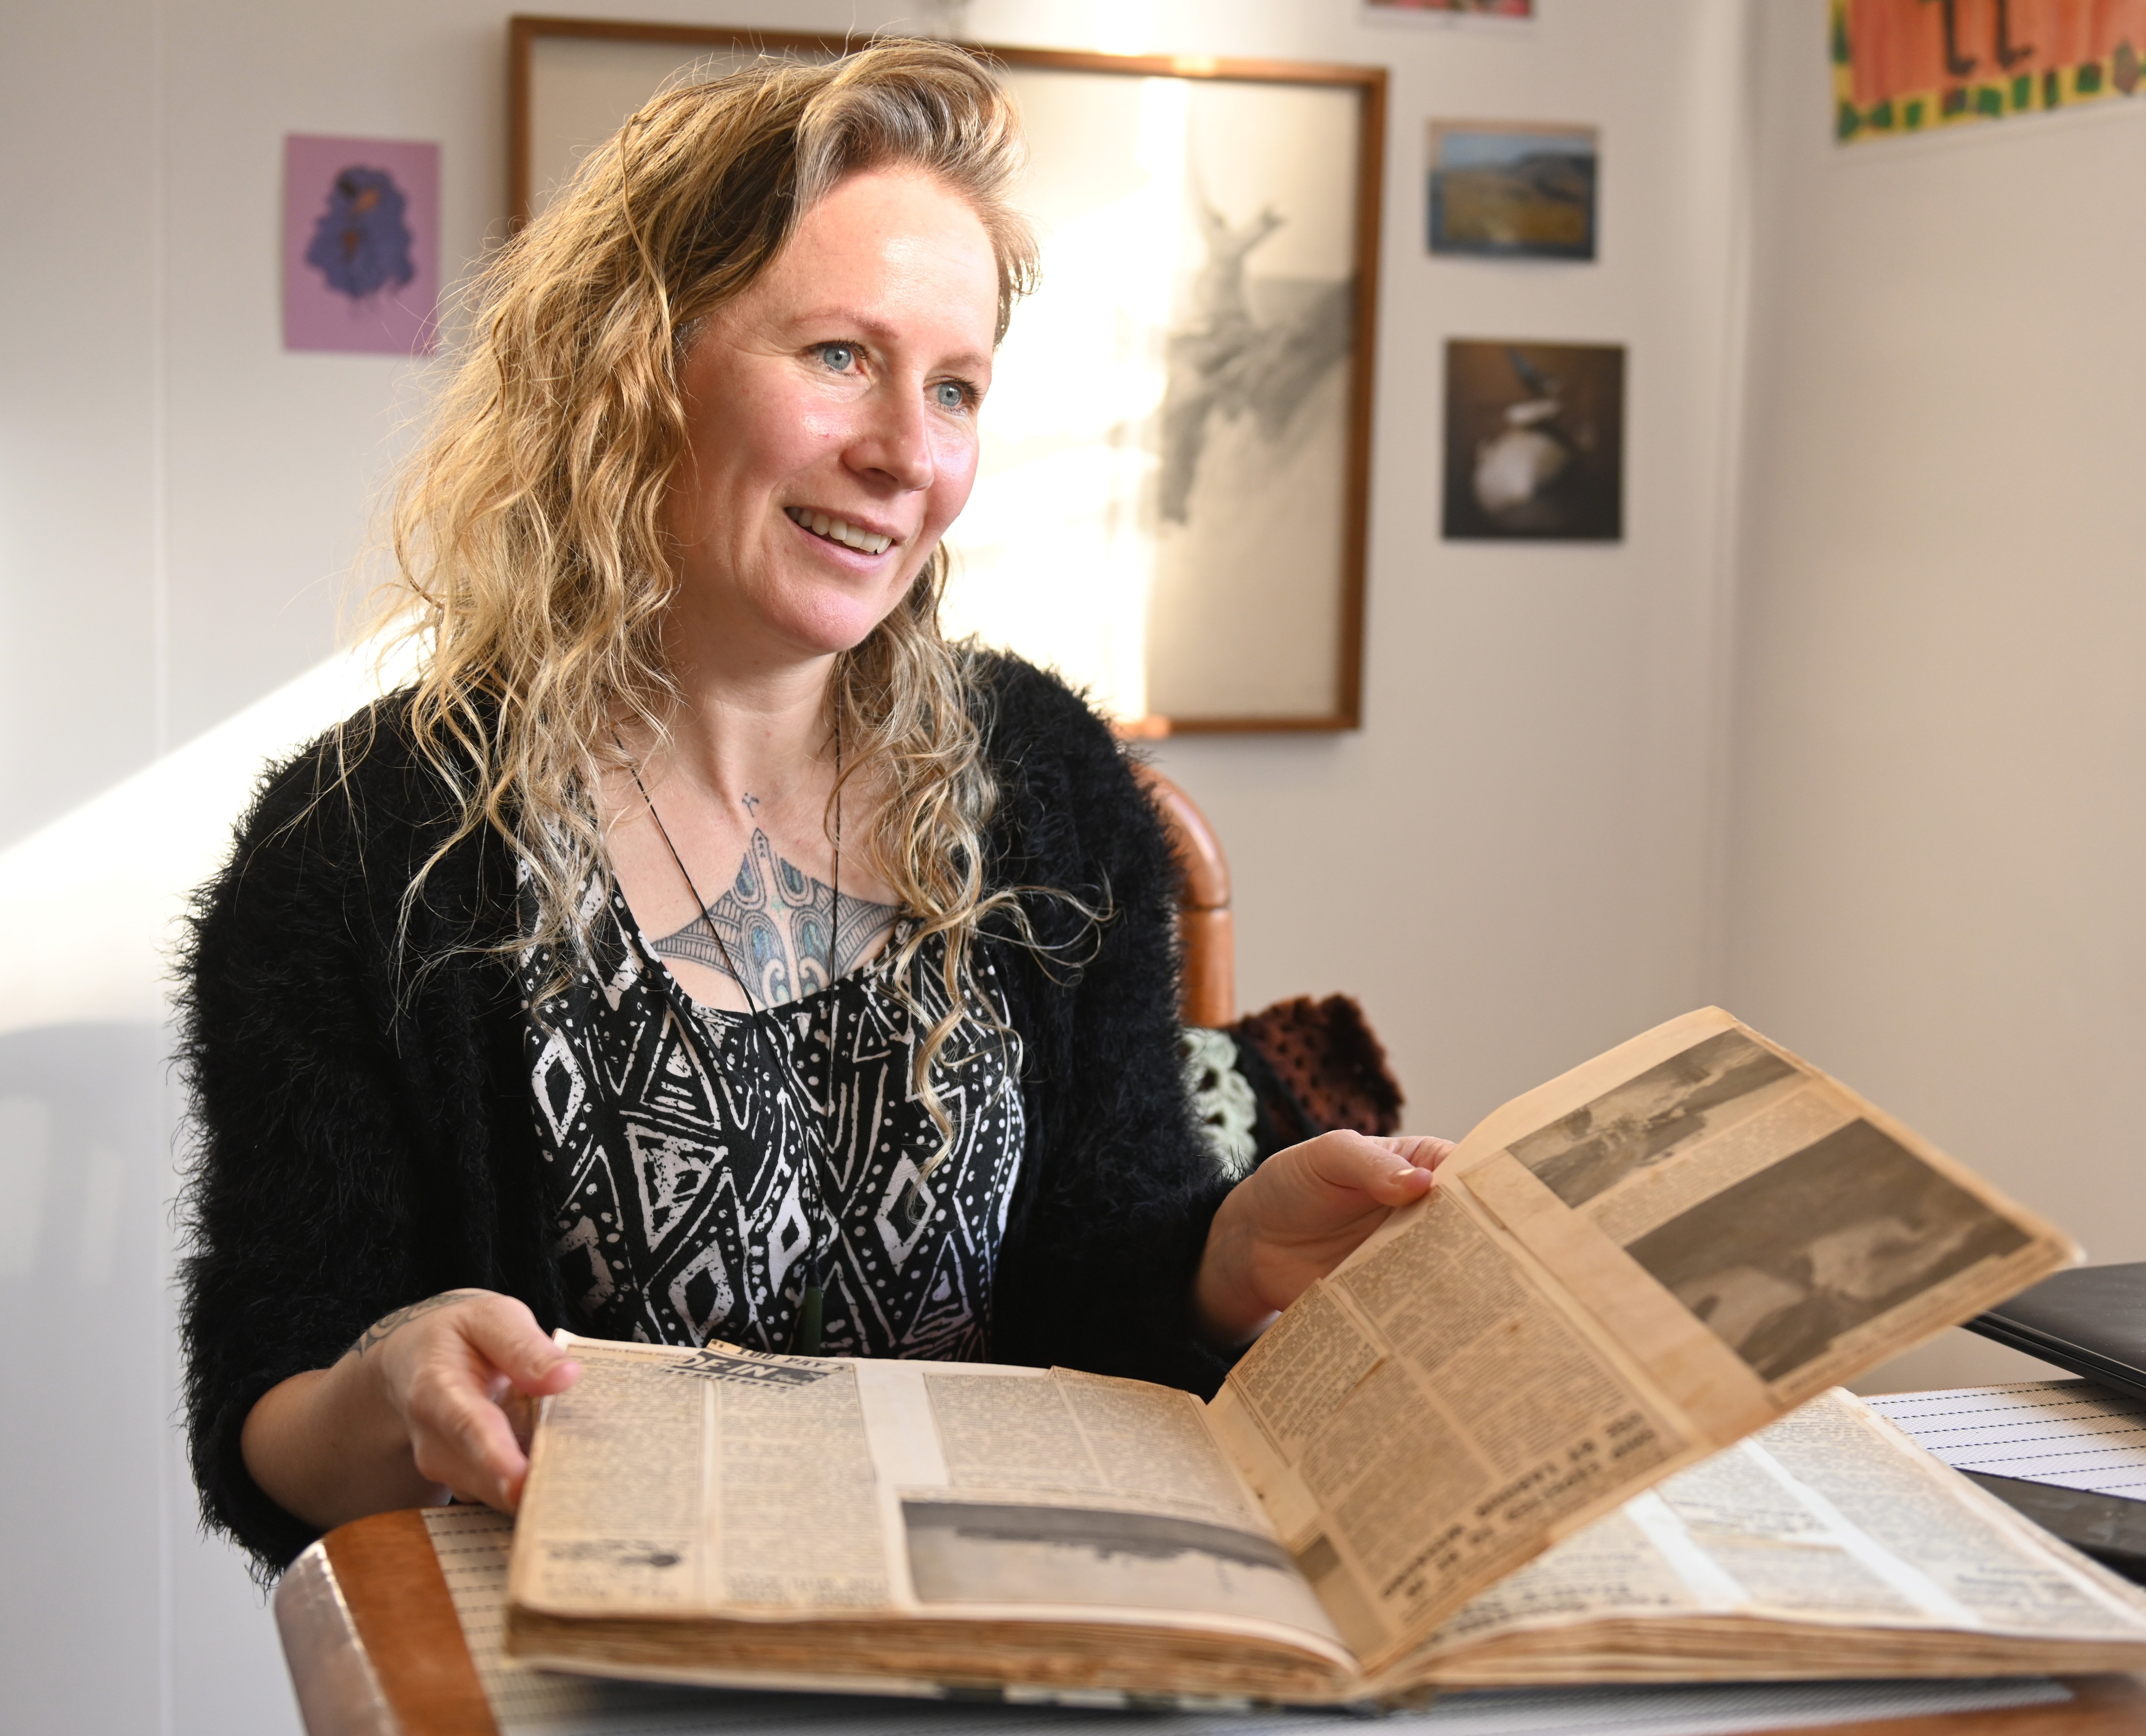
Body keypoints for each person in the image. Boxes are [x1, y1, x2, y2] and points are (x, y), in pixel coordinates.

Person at [179, 40, 1448, 1575]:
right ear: (634, 360)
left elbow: (1101, 1289)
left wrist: (1222, 1258)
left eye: (956, 386)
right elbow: (268, 1412)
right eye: (840, 355)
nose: (907, 453)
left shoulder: (1043, 784)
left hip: (997, 1642)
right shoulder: (364, 847)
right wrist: (391, 1389)